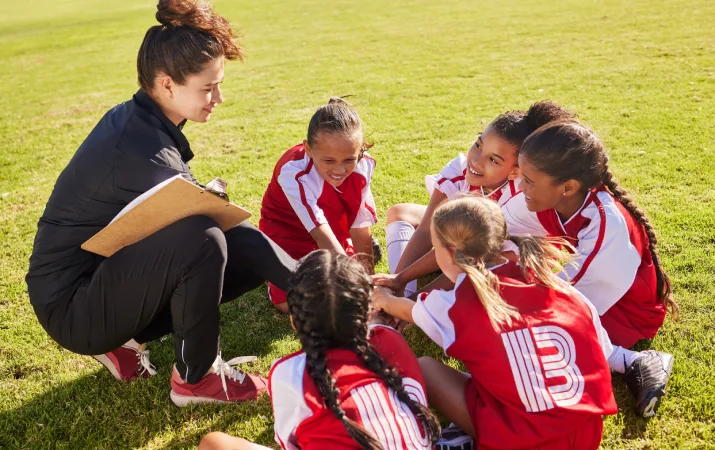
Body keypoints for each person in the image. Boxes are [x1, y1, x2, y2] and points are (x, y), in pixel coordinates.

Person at [25, 0, 296, 406]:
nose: (218, 97)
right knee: (204, 239)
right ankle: (196, 378)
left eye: (218, 84)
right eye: (207, 87)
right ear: (167, 84)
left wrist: (303, 279)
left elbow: (239, 238)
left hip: (93, 279)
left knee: (239, 249)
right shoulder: (142, 148)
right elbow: (210, 232)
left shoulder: (141, 118)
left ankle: (126, 338)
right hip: (71, 307)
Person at [372, 197, 618, 450]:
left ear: (449, 253)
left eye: (435, 249)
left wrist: (382, 297)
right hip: (586, 432)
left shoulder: (454, 304)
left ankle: (467, 436)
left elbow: (401, 309)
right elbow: (602, 351)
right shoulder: (561, 289)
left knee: (425, 368)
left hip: (524, 440)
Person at [501, 120, 677, 416]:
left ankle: (633, 360)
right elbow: (494, 228)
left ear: (568, 187)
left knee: (525, 343)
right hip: (584, 292)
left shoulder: (606, 225)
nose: (520, 186)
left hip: (625, 312)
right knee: (501, 262)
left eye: (529, 180)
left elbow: (561, 308)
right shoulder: (551, 196)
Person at [199, 250, 441, 449]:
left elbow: (291, 443)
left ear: (294, 319)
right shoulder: (391, 338)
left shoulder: (288, 372)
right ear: (369, 309)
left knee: (214, 443)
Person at [384, 101, 575, 297]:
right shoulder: (460, 169)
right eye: (478, 145)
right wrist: (397, 280)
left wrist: (411, 303)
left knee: (491, 257)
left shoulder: (520, 198)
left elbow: (473, 253)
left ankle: (413, 302)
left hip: (514, 255)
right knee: (400, 212)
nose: (475, 160)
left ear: (515, 171)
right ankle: (400, 291)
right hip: (472, 245)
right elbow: (426, 228)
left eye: (493, 160)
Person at [259, 98, 379, 313]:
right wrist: (359, 290)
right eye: (329, 161)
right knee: (291, 303)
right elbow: (320, 233)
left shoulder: (364, 164)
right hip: (288, 234)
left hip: (332, 229)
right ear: (308, 149)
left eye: (349, 160)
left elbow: (361, 226)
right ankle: (273, 277)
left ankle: (342, 258)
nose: (340, 170)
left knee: (349, 279)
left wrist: (368, 284)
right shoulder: (293, 171)